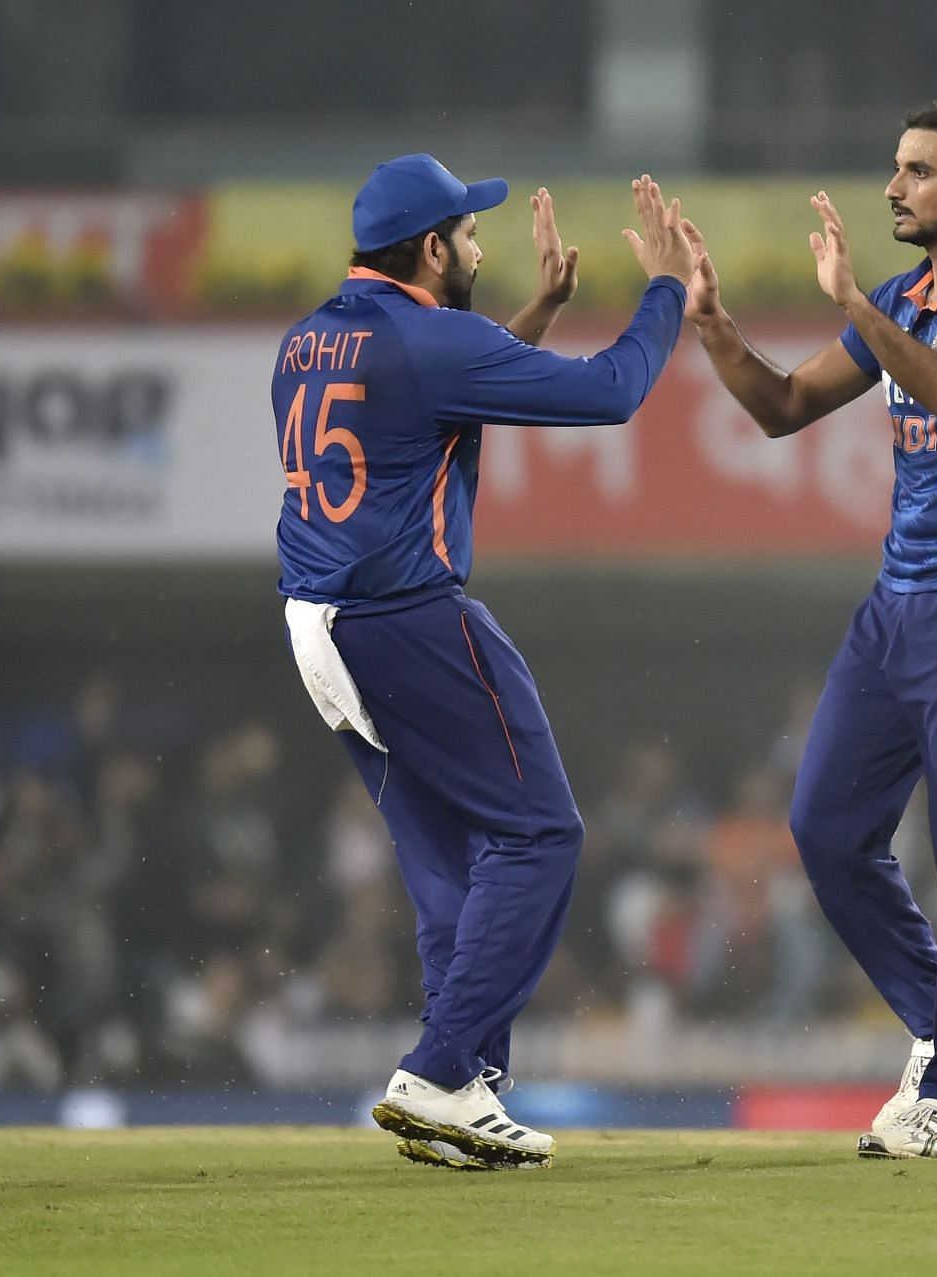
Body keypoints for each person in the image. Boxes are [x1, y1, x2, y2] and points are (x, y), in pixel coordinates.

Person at [274, 154, 695, 1169]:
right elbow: (613, 392)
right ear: (428, 249)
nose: (476, 244)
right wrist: (669, 288)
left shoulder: (309, 340)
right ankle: (439, 1066)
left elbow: (435, 404)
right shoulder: (430, 339)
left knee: (450, 872)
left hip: (314, 627)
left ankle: (460, 1098)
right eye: (464, 233)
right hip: (404, 618)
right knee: (541, 832)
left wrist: (535, 311)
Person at [682, 101, 937, 1158]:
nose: (893, 188)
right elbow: (782, 407)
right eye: (895, 168)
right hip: (898, 599)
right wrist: (713, 324)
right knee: (826, 825)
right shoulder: (900, 298)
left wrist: (856, 300)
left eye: (918, 171)